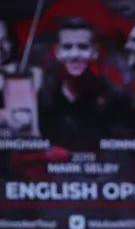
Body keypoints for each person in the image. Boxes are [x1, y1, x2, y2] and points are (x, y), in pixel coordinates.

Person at [38, 18, 126, 150]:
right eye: (67, 47)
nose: (75, 55)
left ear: (95, 52)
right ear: (57, 52)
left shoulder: (114, 98)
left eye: (83, 47)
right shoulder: (43, 97)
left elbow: (121, 149)